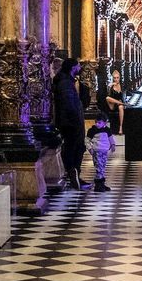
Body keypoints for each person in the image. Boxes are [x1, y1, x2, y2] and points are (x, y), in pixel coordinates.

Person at [54, 57, 87, 190]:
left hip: (73, 122)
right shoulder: (65, 83)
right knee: (72, 148)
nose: (80, 67)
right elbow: (69, 104)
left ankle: (76, 176)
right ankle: (73, 174)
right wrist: (76, 121)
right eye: (78, 65)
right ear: (73, 68)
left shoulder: (68, 81)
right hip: (70, 123)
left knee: (77, 148)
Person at [87, 114, 115, 192]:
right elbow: (87, 140)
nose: (96, 124)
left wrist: (113, 144)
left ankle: (101, 184)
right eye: (96, 122)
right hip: (96, 152)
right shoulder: (92, 130)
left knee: (102, 167)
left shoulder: (107, 130)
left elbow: (111, 138)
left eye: (99, 122)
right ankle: (98, 186)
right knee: (99, 168)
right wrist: (90, 148)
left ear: (105, 123)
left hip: (104, 152)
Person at [102, 68, 126, 136]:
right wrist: (110, 86)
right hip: (112, 104)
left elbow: (128, 92)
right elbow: (108, 96)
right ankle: (121, 103)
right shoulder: (111, 86)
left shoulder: (122, 85)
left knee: (121, 107)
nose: (116, 79)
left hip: (119, 104)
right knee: (107, 98)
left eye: (117, 78)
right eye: (114, 78)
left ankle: (120, 127)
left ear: (119, 78)